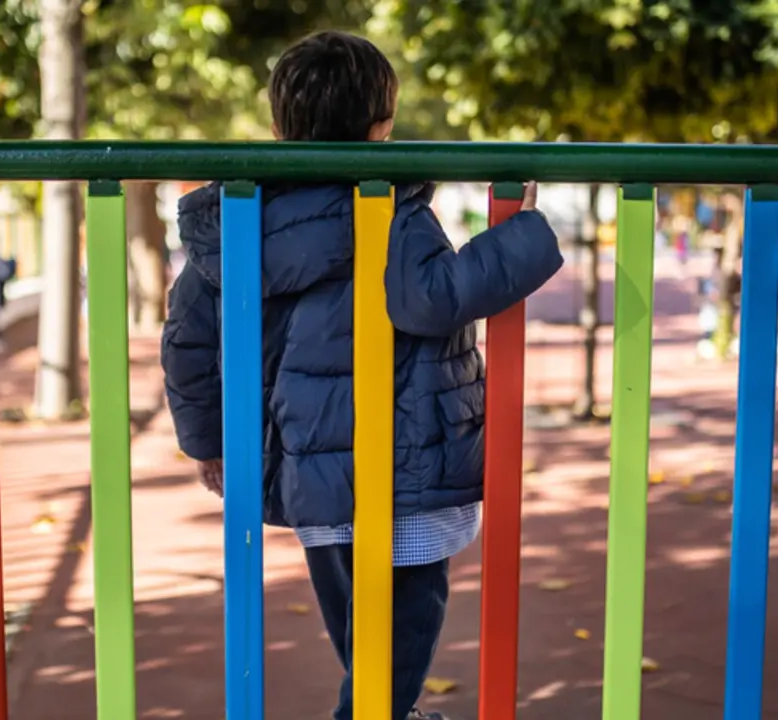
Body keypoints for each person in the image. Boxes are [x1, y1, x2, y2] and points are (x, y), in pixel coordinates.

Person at [160, 31, 563, 720]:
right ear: (382, 128)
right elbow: (430, 298)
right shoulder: (388, 207)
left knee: (356, 619)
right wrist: (522, 236)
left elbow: (187, 341)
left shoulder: (239, 223)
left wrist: (207, 441)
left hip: (308, 469)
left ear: (280, 127)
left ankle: (382, 710)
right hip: (401, 466)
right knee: (408, 619)